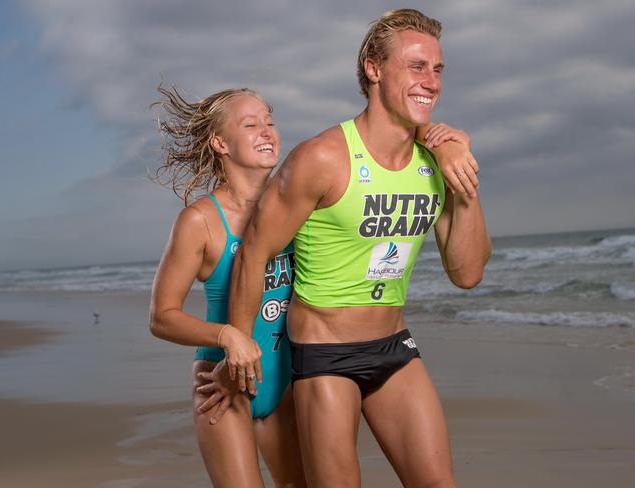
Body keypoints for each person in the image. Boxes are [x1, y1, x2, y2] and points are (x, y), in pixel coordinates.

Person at [224, 9, 491, 488]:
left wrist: (463, 178)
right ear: (373, 68)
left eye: (437, 69)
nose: (431, 81)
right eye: (416, 66)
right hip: (326, 355)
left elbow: (467, 274)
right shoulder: (322, 158)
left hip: (393, 346)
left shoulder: (436, 159)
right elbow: (254, 253)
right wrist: (239, 350)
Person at [148, 86, 305, 487]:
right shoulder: (200, 221)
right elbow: (162, 317)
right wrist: (227, 335)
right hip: (221, 384)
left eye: (270, 122)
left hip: (285, 377)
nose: (267, 131)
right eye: (251, 124)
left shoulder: (297, 207)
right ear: (220, 142)